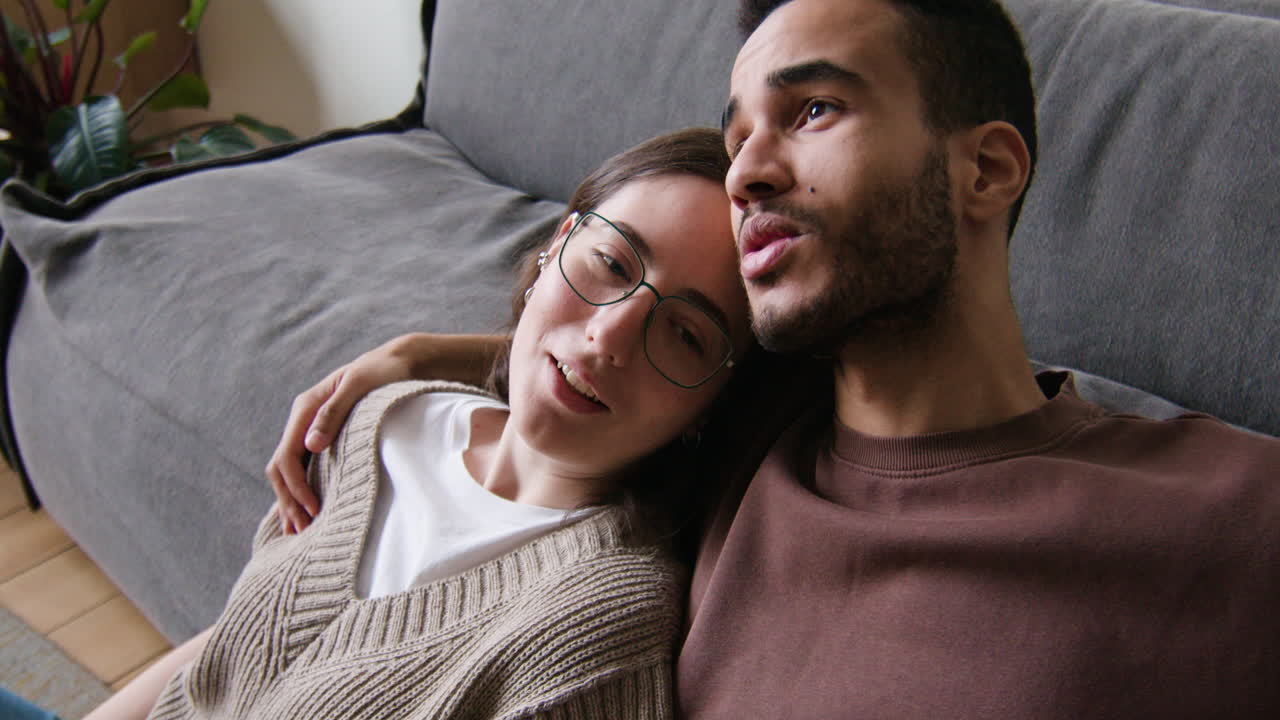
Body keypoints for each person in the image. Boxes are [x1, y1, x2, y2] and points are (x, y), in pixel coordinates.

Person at [268, 0, 1280, 717]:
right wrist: (414, 356)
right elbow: (616, 349)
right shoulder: (747, 437)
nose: (744, 172)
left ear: (985, 167)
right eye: (738, 131)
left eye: (812, 111)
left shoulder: (1227, 513)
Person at [84, 127, 754, 719]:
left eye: (685, 336)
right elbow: (225, 656)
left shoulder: (597, 626)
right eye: (610, 264)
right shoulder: (378, 418)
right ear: (558, 244)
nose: (609, 337)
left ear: (712, 405)